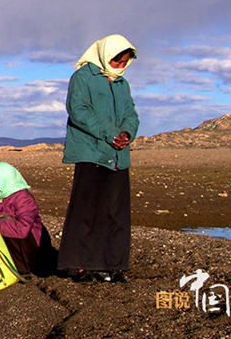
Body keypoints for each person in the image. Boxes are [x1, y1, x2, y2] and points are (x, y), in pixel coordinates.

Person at [57, 34, 139, 283]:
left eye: (125, 61)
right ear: (106, 55)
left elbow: (131, 114)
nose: (120, 65)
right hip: (91, 152)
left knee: (116, 212)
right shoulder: (83, 77)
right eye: (117, 60)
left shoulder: (122, 84)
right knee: (86, 210)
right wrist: (110, 133)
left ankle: (114, 265)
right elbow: (78, 110)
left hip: (117, 156)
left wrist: (126, 134)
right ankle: (80, 265)